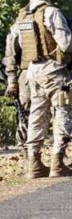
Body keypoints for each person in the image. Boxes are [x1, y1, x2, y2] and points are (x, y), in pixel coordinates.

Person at [19, 0, 72, 178]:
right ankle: (57, 162)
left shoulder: (23, 16)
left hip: (33, 71)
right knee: (63, 112)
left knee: (37, 115)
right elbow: (65, 44)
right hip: (54, 71)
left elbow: (18, 46)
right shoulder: (52, 12)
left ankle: (34, 163)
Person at [3, 22, 32, 154]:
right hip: (27, 73)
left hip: (51, 72)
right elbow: (10, 56)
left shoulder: (52, 16)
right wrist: (12, 81)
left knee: (57, 111)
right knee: (25, 113)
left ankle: (59, 154)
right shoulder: (21, 23)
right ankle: (25, 151)